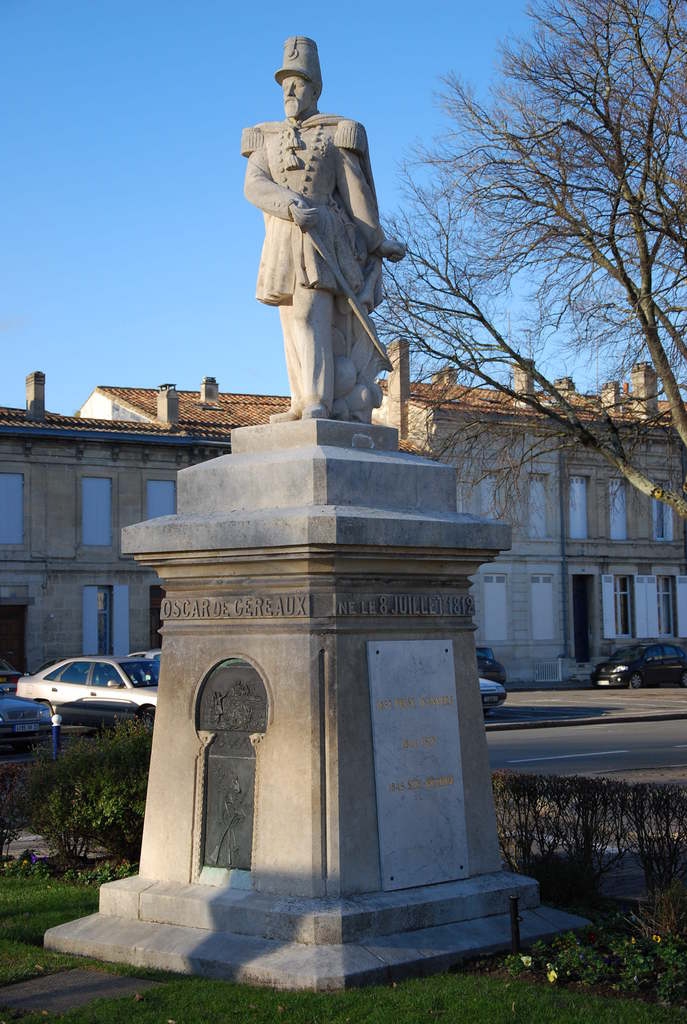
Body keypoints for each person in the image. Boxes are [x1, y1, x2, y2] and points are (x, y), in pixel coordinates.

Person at [242, 36, 405, 423]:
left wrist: (378, 242)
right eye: (284, 84)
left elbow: (355, 194)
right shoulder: (269, 138)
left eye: (297, 83)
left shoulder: (333, 134)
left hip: (322, 240)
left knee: (309, 316)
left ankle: (319, 399)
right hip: (285, 237)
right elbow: (254, 184)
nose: (289, 91)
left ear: (314, 88)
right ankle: (301, 400)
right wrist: (287, 205)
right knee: (289, 321)